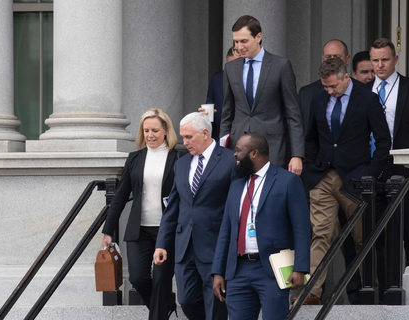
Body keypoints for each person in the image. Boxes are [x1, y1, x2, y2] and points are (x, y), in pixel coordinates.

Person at [304, 57, 391, 303]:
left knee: (362, 237)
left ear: (346, 78)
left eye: (333, 86)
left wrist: (369, 173)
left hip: (355, 178)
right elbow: (310, 137)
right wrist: (312, 164)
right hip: (323, 177)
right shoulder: (319, 98)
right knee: (320, 234)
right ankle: (313, 292)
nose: (329, 91)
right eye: (325, 87)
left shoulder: (367, 99)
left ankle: (370, 291)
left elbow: (383, 141)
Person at [211, 133, 311, 320]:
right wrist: (218, 271)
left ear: (254, 153)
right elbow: (226, 230)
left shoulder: (287, 181)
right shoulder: (236, 185)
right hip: (238, 270)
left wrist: (300, 267)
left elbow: (302, 228)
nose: (235, 155)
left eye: (239, 151)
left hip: (271, 270)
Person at [154, 112, 235, 320]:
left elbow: (235, 206)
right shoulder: (181, 164)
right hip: (184, 247)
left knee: (216, 305)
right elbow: (172, 208)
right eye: (183, 137)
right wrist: (162, 243)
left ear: (205, 133)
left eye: (189, 137)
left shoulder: (229, 160)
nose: (184, 142)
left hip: (214, 244)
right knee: (186, 300)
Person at [365, 38, 409, 272]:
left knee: (407, 231)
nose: (380, 65)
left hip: (403, 168)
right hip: (372, 167)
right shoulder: (362, 91)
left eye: (385, 59)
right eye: (375, 60)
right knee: (373, 233)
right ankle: (379, 289)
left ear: (395, 59)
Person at [101, 108, 180, 320]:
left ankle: (159, 313)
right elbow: (119, 196)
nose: (150, 135)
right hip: (139, 230)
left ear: (165, 131)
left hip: (167, 230)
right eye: (146, 130)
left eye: (155, 130)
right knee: (137, 278)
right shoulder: (135, 158)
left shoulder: (178, 158)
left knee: (161, 281)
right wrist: (108, 230)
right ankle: (166, 305)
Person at [221, 15, 304, 175]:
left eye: (244, 41)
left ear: (258, 37)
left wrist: (297, 155)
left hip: (273, 147)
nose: (238, 46)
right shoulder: (230, 68)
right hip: (237, 148)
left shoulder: (281, 66)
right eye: (236, 42)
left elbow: (293, 114)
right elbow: (227, 114)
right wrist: (221, 152)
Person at [298, 39, 352, 137]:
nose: (332, 60)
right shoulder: (306, 94)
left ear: (347, 59)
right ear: (323, 60)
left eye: (337, 57)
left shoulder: (363, 91)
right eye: (328, 57)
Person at [205, 46, 240, 142]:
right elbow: (209, 103)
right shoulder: (217, 78)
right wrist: (206, 115)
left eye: (236, 65)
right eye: (229, 65)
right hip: (220, 133)